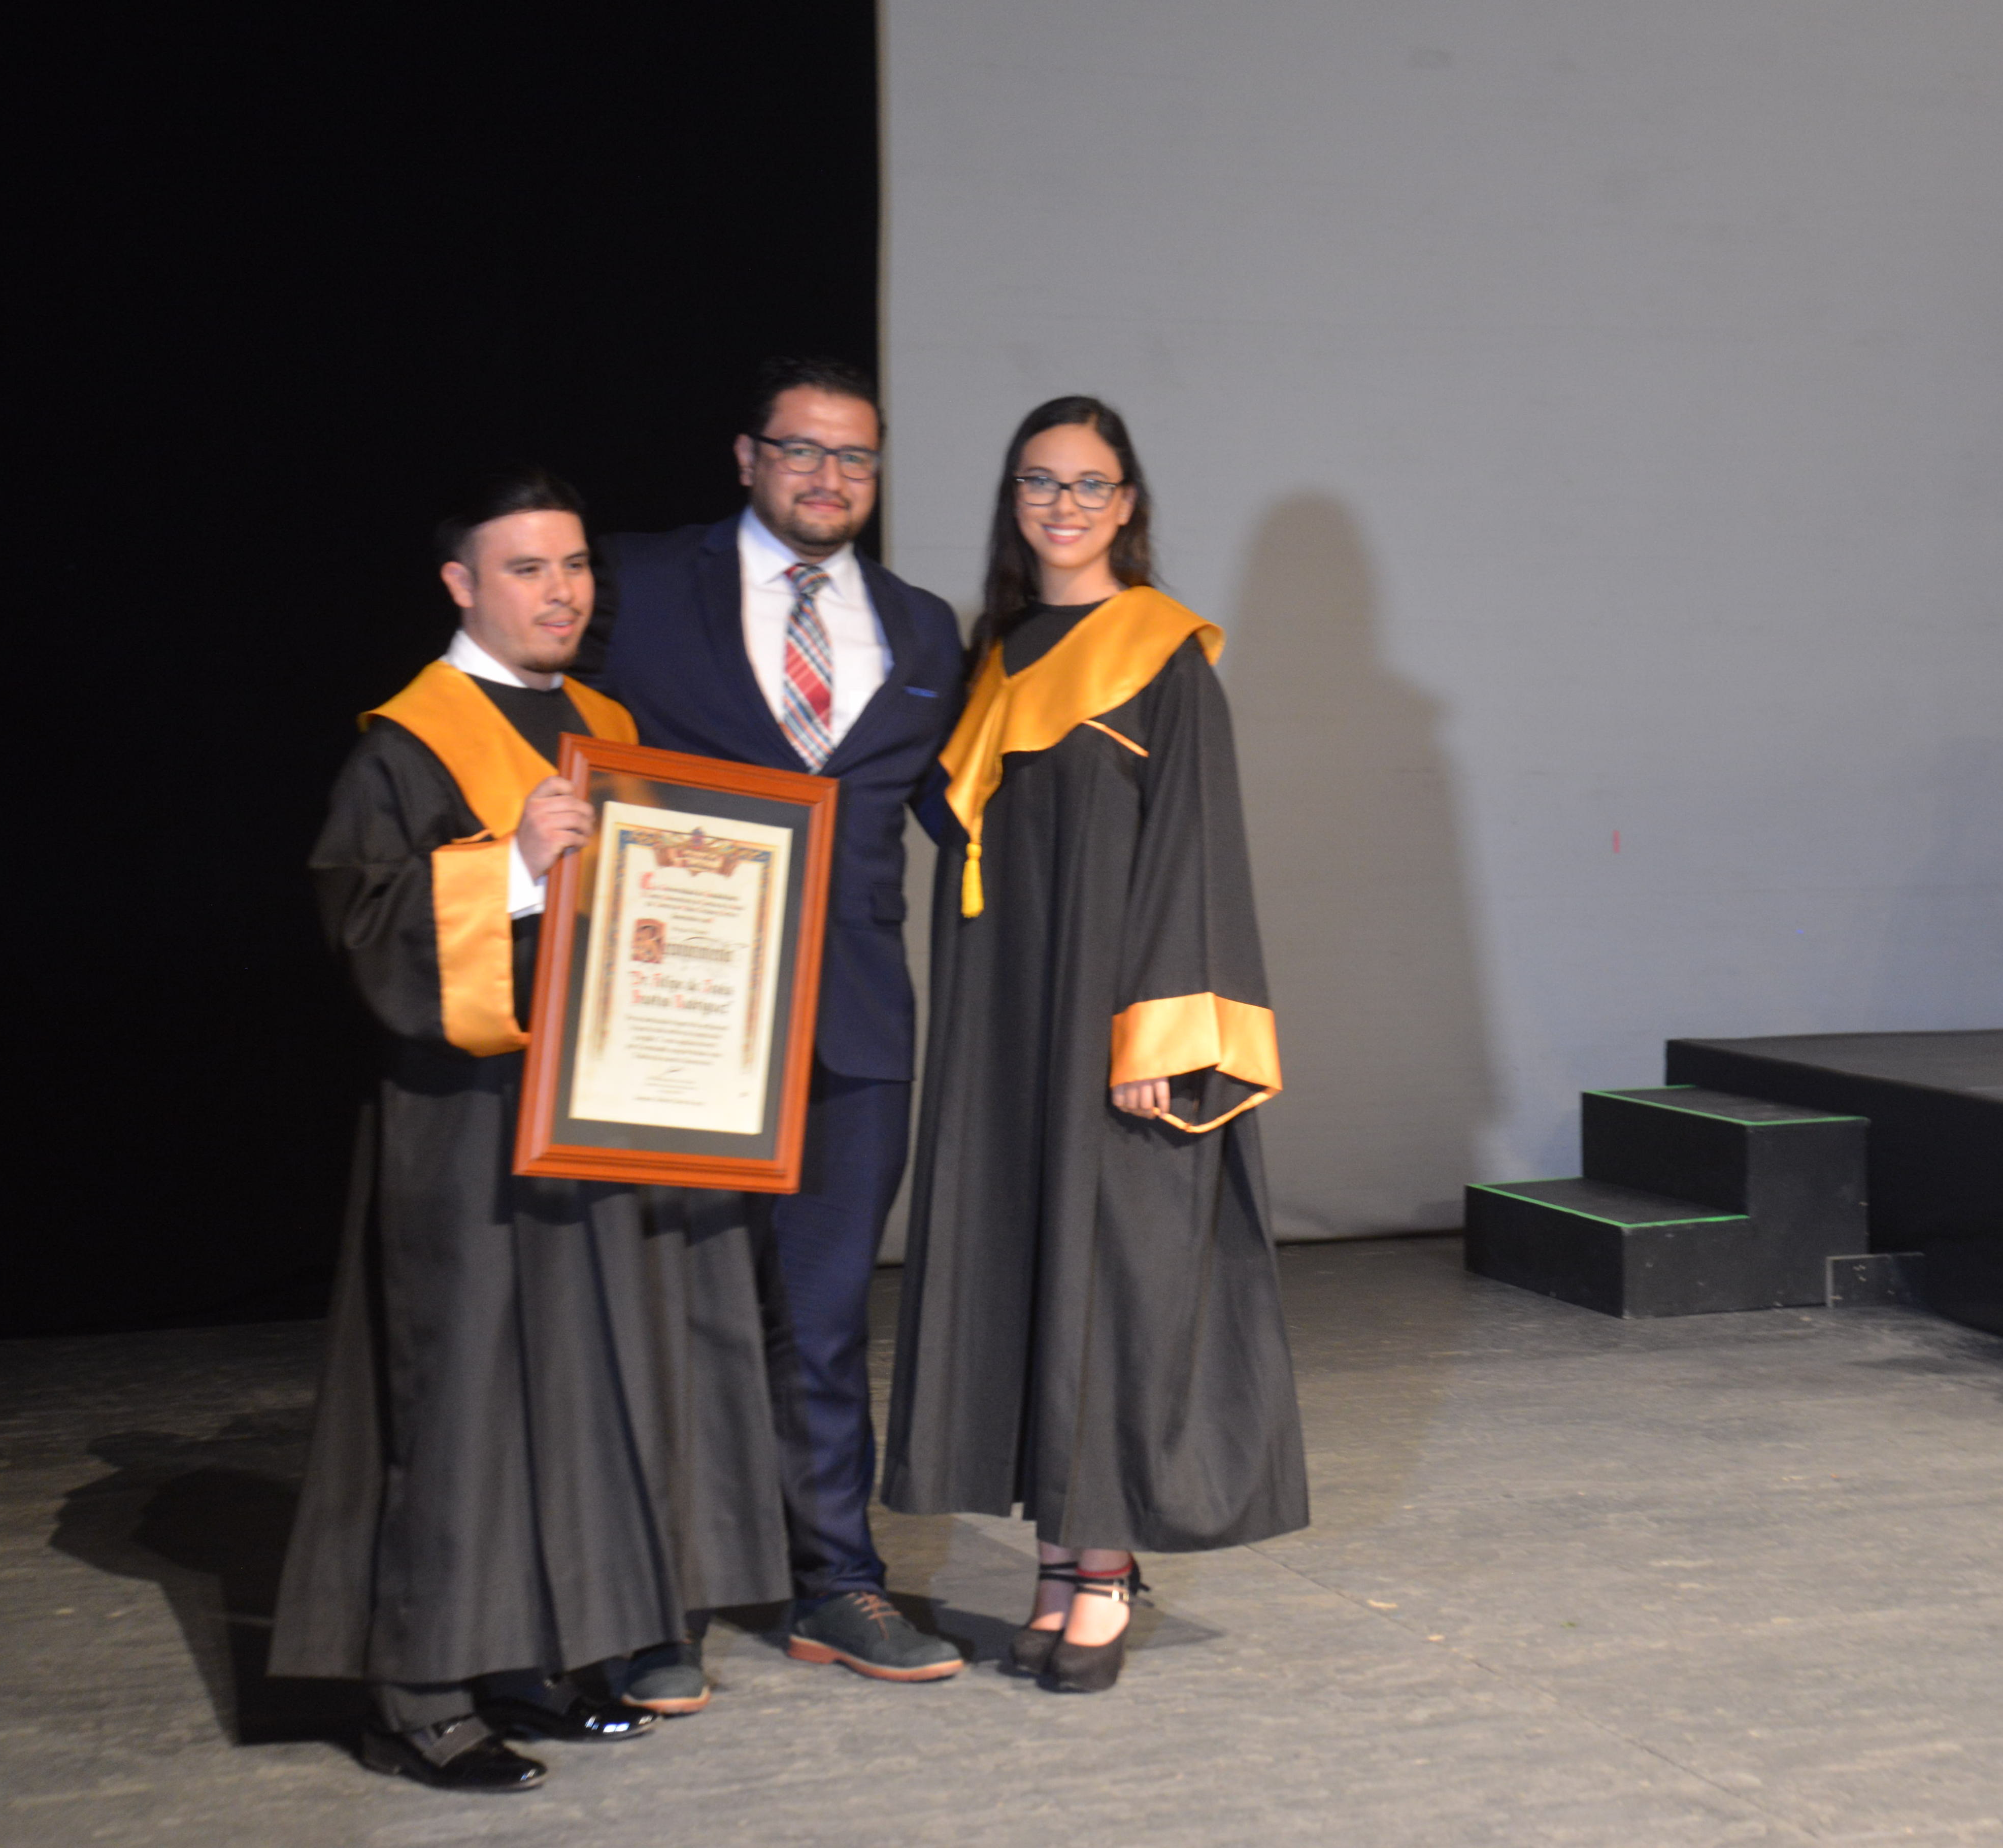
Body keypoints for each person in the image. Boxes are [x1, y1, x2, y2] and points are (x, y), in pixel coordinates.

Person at [269, 468, 790, 1791]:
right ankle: (422, 1696)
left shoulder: (604, 723)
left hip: (597, 1117)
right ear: (461, 584)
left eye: (574, 565)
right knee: (460, 1406)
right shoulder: (409, 743)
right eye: (526, 568)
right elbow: (363, 927)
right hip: (464, 1129)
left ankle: (532, 1661)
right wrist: (508, 866)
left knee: (569, 1395)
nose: (562, 592)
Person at [882, 397, 1309, 1693]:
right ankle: (1060, 1558)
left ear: (1128, 504)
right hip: (1009, 1020)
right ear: (1013, 499)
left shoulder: (1163, 655)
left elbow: (1195, 850)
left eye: (1089, 484)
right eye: (1039, 481)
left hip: (1115, 1022)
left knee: (1113, 1281)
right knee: (1034, 1269)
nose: (1063, 505)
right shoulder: (998, 654)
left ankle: (1108, 1564)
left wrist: (1158, 1031)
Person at [580, 359, 966, 1681]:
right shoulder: (634, 582)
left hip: (854, 1029)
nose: (828, 477)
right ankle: (649, 1603)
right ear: (747, 457)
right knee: (667, 1316)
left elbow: (974, 821)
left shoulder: (923, 631)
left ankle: (834, 1582)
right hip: (673, 1014)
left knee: (827, 1319)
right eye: (802, 450)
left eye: (855, 457)